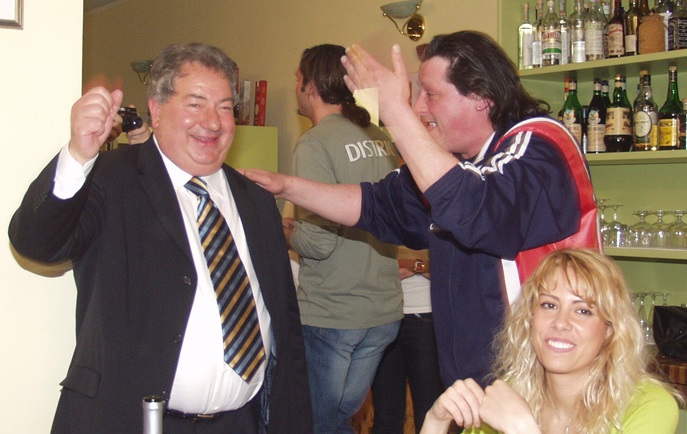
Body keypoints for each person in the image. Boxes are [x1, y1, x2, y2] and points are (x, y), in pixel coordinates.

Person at [243, 31, 601, 387]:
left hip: (541, 385)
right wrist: (287, 187)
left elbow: (477, 210)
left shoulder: (538, 146)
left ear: (481, 97)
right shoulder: (453, 163)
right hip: (476, 387)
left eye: (430, 94)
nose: (418, 108)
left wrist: (394, 112)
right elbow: (374, 205)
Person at [8, 42, 311, 434]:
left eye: (224, 107)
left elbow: (284, 328)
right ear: (156, 109)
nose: (213, 122)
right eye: (195, 104)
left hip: (242, 423)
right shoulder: (111, 179)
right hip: (134, 421)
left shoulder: (255, 201)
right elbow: (37, 243)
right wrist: (78, 155)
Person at [421, 248, 683, 434]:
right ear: (529, 318)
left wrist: (523, 429)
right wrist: (435, 421)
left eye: (583, 311)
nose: (560, 322)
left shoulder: (648, 405)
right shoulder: (510, 394)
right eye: (549, 305)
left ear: (610, 330)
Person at [285, 43, 403, 433]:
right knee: (337, 422)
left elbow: (318, 243)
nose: (295, 88)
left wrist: (284, 233)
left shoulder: (315, 143)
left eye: (298, 79)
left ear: (312, 85)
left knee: (314, 424)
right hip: (383, 312)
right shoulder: (380, 135)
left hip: (333, 313)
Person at [371, 246, 444, 434]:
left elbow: (450, 266)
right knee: (385, 418)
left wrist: (416, 265)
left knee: (430, 413)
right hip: (382, 316)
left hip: (427, 314)